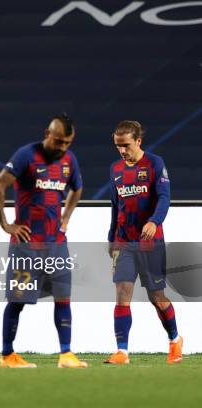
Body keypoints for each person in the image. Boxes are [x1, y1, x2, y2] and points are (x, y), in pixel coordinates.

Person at [0, 114, 87, 368]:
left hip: (56, 243)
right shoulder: (26, 155)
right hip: (27, 245)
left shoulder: (69, 160)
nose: (62, 148)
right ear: (47, 133)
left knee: (63, 297)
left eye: (67, 143)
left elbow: (77, 188)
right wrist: (6, 225)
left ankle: (66, 355)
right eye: (58, 142)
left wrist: (66, 217)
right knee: (18, 301)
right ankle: (7, 355)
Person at [105, 120, 181, 365]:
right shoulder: (115, 169)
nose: (122, 151)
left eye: (126, 145)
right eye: (118, 146)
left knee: (156, 296)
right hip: (124, 242)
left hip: (150, 241)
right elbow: (116, 207)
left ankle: (175, 339)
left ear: (138, 141)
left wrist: (154, 221)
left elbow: (165, 197)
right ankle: (122, 352)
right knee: (122, 293)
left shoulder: (155, 164)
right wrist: (111, 237)